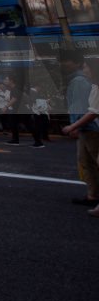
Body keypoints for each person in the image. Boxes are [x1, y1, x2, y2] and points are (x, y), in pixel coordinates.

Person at [58, 50, 99, 212]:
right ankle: (93, 195)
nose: (62, 64)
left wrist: (74, 125)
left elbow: (84, 108)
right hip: (86, 127)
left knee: (92, 161)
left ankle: (94, 196)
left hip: (90, 128)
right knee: (86, 161)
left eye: (65, 61)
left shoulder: (80, 81)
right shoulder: (83, 80)